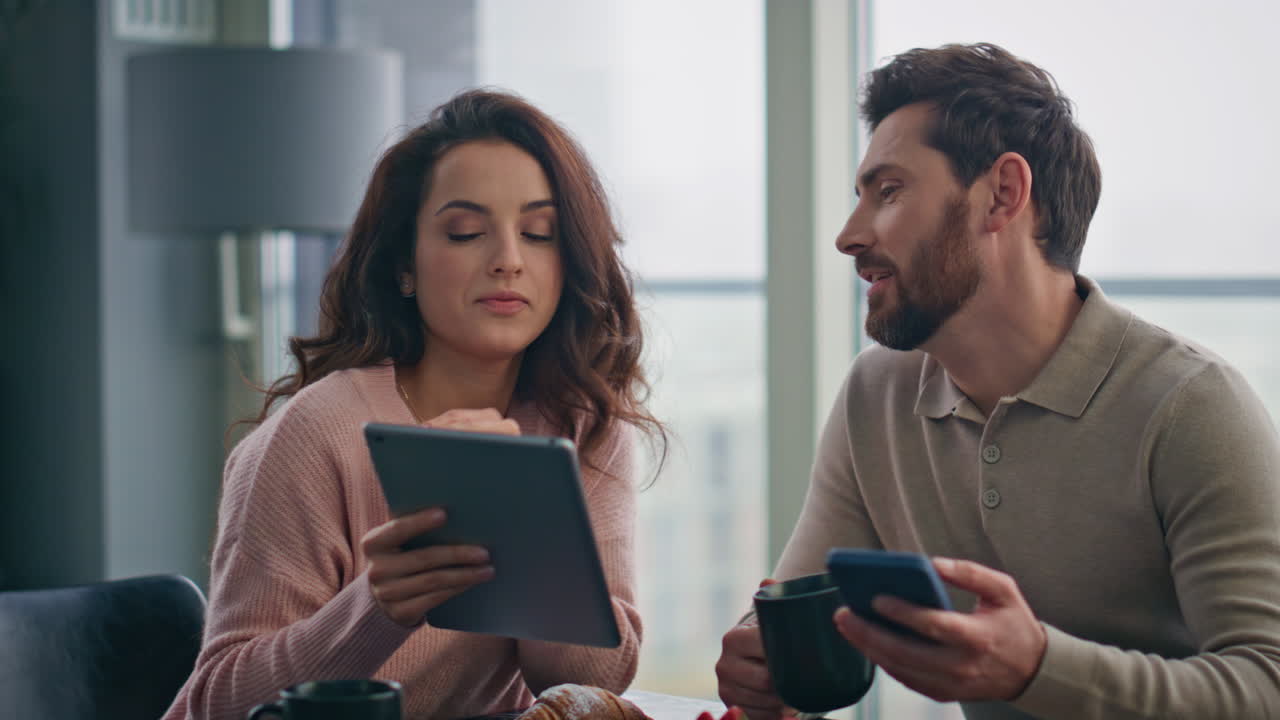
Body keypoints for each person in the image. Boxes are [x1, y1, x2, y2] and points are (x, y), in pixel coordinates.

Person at [716, 42, 1280, 720]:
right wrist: (761, 656)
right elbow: (799, 604)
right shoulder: (878, 395)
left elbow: (1267, 685)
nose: (848, 235)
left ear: (1002, 195)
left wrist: (1037, 669)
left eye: (888, 191)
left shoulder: (1192, 406)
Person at [162, 89, 664, 720]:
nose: (508, 260)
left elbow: (600, 679)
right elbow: (219, 703)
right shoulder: (319, 433)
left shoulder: (585, 427)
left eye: (539, 234)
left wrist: (532, 530)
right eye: (466, 233)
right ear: (405, 264)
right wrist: (376, 608)